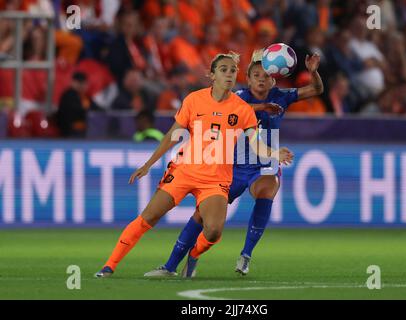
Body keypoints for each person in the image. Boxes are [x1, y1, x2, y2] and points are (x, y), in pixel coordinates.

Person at [95, 52, 293, 278]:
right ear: (212, 75)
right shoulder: (193, 100)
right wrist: (149, 163)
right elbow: (173, 135)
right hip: (185, 171)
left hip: (215, 180)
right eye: (224, 70)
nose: (229, 74)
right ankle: (109, 266)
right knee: (148, 217)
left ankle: (193, 255)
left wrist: (275, 153)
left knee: (214, 232)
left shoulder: (243, 109)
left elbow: (256, 146)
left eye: (233, 71)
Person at [144, 49, 323, 277]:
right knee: (201, 216)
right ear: (247, 80)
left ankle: (245, 255)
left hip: (264, 163)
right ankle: (172, 265)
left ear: (273, 78)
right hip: (233, 166)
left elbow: (317, 89)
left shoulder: (281, 96)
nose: (261, 79)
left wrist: (313, 73)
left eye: (265, 75)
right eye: (255, 75)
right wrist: (262, 108)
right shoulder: (237, 97)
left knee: (266, 190)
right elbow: (224, 108)